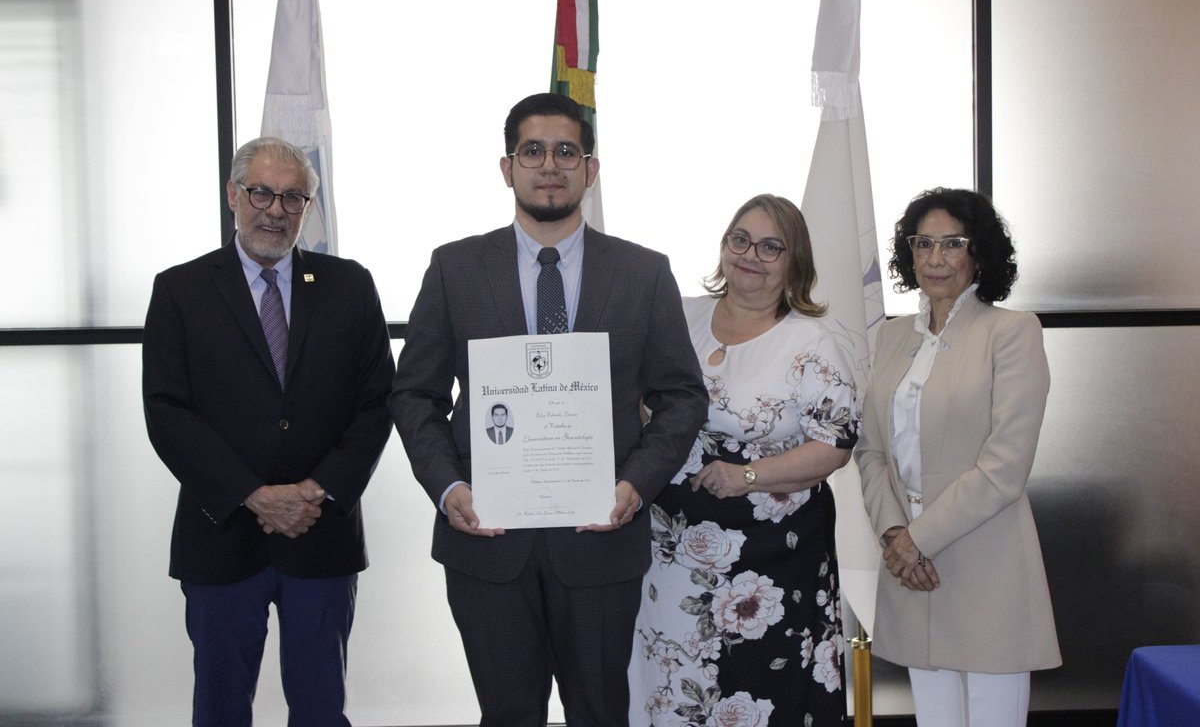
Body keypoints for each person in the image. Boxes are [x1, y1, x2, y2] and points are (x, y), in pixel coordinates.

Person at [389, 92, 708, 726]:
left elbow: (682, 396)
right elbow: (415, 394)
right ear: (507, 168)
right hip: (486, 543)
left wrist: (636, 485)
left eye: (567, 151)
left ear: (591, 169)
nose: (550, 165)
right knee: (508, 716)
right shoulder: (454, 269)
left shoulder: (643, 273)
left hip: (601, 543)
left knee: (599, 712)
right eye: (532, 151)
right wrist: (448, 485)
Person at [142, 136, 395, 727]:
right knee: (221, 708)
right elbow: (166, 411)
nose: (275, 211)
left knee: (321, 709)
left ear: (308, 208)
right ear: (233, 195)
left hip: (321, 532)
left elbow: (379, 401)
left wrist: (317, 491)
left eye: (292, 198)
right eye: (260, 193)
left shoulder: (349, 286)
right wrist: (252, 495)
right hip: (222, 534)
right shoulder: (180, 290)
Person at [628, 194, 859, 726]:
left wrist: (748, 475)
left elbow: (836, 446)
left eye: (770, 247)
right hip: (671, 552)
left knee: (760, 691)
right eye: (740, 239)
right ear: (724, 245)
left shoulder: (811, 342)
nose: (751, 255)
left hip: (773, 562)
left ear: (793, 262)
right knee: (671, 684)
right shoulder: (678, 315)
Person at [854, 188, 1061, 726]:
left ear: (980, 254)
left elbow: (1004, 469)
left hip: (984, 566)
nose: (936, 258)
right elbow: (871, 452)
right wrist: (894, 535)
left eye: (953, 243)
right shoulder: (892, 339)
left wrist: (915, 542)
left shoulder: (1012, 333)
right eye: (924, 243)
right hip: (913, 570)